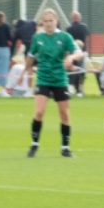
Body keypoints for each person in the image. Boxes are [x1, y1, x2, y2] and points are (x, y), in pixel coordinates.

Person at [25, 8, 84, 159]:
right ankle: (35, 144)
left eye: (51, 21)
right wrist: (26, 70)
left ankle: (65, 148)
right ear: (42, 23)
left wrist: (71, 58)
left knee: (64, 113)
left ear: (56, 21)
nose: (49, 23)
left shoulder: (64, 37)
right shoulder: (38, 38)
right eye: (46, 21)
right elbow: (31, 56)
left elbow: (79, 52)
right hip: (43, 78)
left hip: (59, 79)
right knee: (39, 112)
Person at [66, 11, 90, 97]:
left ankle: (72, 87)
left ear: (72, 18)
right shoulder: (84, 27)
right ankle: (80, 89)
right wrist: (86, 50)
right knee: (81, 70)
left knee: (72, 70)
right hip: (82, 52)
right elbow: (87, 39)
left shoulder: (69, 29)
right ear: (79, 18)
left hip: (72, 52)